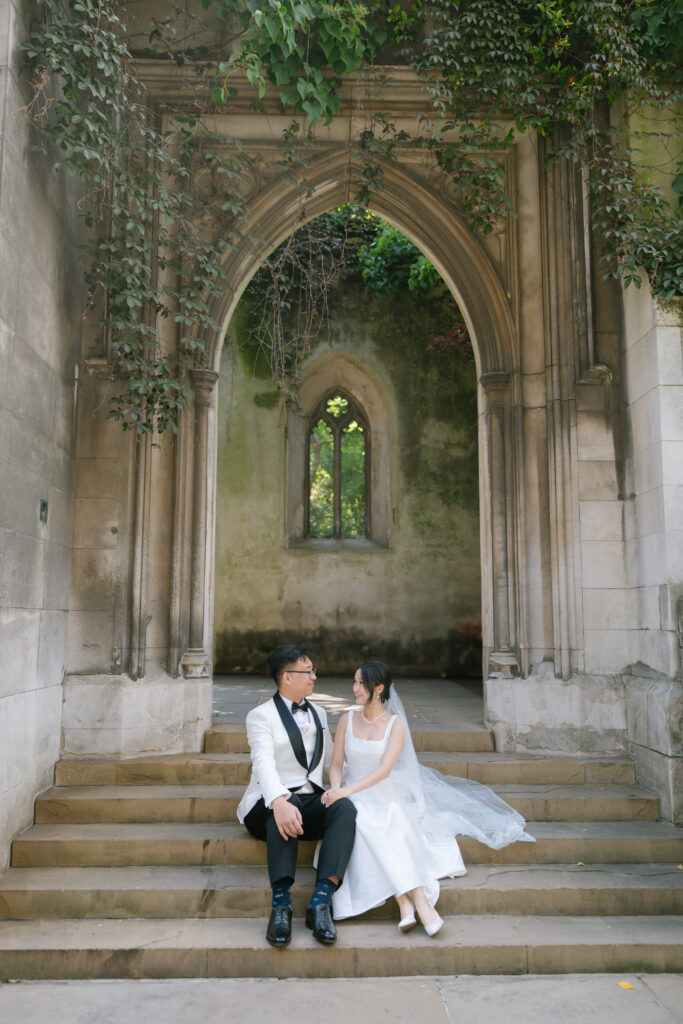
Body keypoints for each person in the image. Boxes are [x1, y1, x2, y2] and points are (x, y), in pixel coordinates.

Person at [322, 661, 534, 935]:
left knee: (390, 818)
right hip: (352, 794)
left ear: (378, 689)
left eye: (361, 683)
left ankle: (413, 903)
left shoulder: (394, 725)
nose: (355, 688)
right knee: (361, 822)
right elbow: (337, 764)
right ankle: (411, 902)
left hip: (381, 793)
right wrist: (338, 789)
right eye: (354, 682)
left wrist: (346, 791)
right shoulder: (346, 721)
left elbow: (385, 771)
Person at [237, 644, 357, 948]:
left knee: (344, 808)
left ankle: (320, 902)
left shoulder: (317, 711)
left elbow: (332, 756)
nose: (314, 677)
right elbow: (263, 762)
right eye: (308, 671)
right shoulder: (260, 716)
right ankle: (281, 905)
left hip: (309, 800)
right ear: (287, 677)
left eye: (313, 671)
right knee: (287, 804)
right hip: (265, 805)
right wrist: (278, 800)